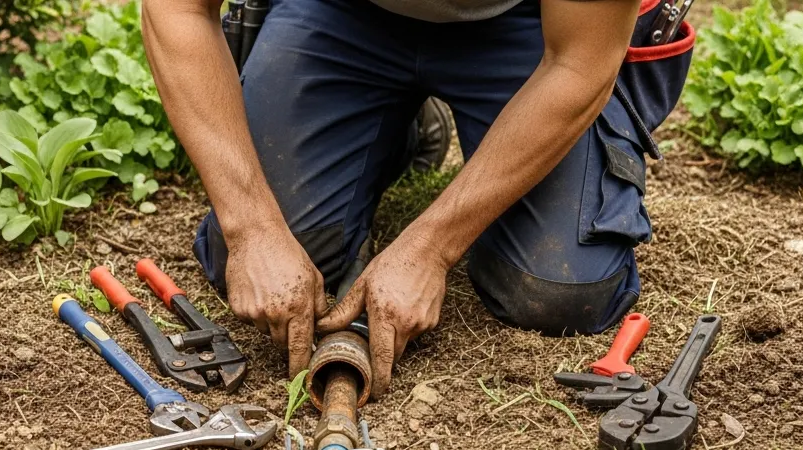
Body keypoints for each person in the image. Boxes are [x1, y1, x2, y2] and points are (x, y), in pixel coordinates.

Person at [142, 0, 661, 397]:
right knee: (265, 262)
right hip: (341, 13)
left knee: (556, 292)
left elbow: (580, 61)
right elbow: (178, 9)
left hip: (534, 25)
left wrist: (432, 247)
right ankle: (392, 130)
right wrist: (251, 228)